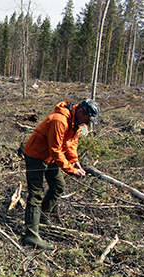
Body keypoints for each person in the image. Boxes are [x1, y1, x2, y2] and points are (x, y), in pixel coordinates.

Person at [22, 99, 100, 250]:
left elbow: (71, 144)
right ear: (81, 112)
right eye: (88, 119)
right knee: (36, 193)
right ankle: (31, 236)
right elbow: (55, 149)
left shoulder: (76, 123)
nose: (87, 123)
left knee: (58, 186)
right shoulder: (60, 120)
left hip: (51, 157)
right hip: (36, 155)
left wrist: (74, 161)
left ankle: (43, 217)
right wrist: (70, 170)